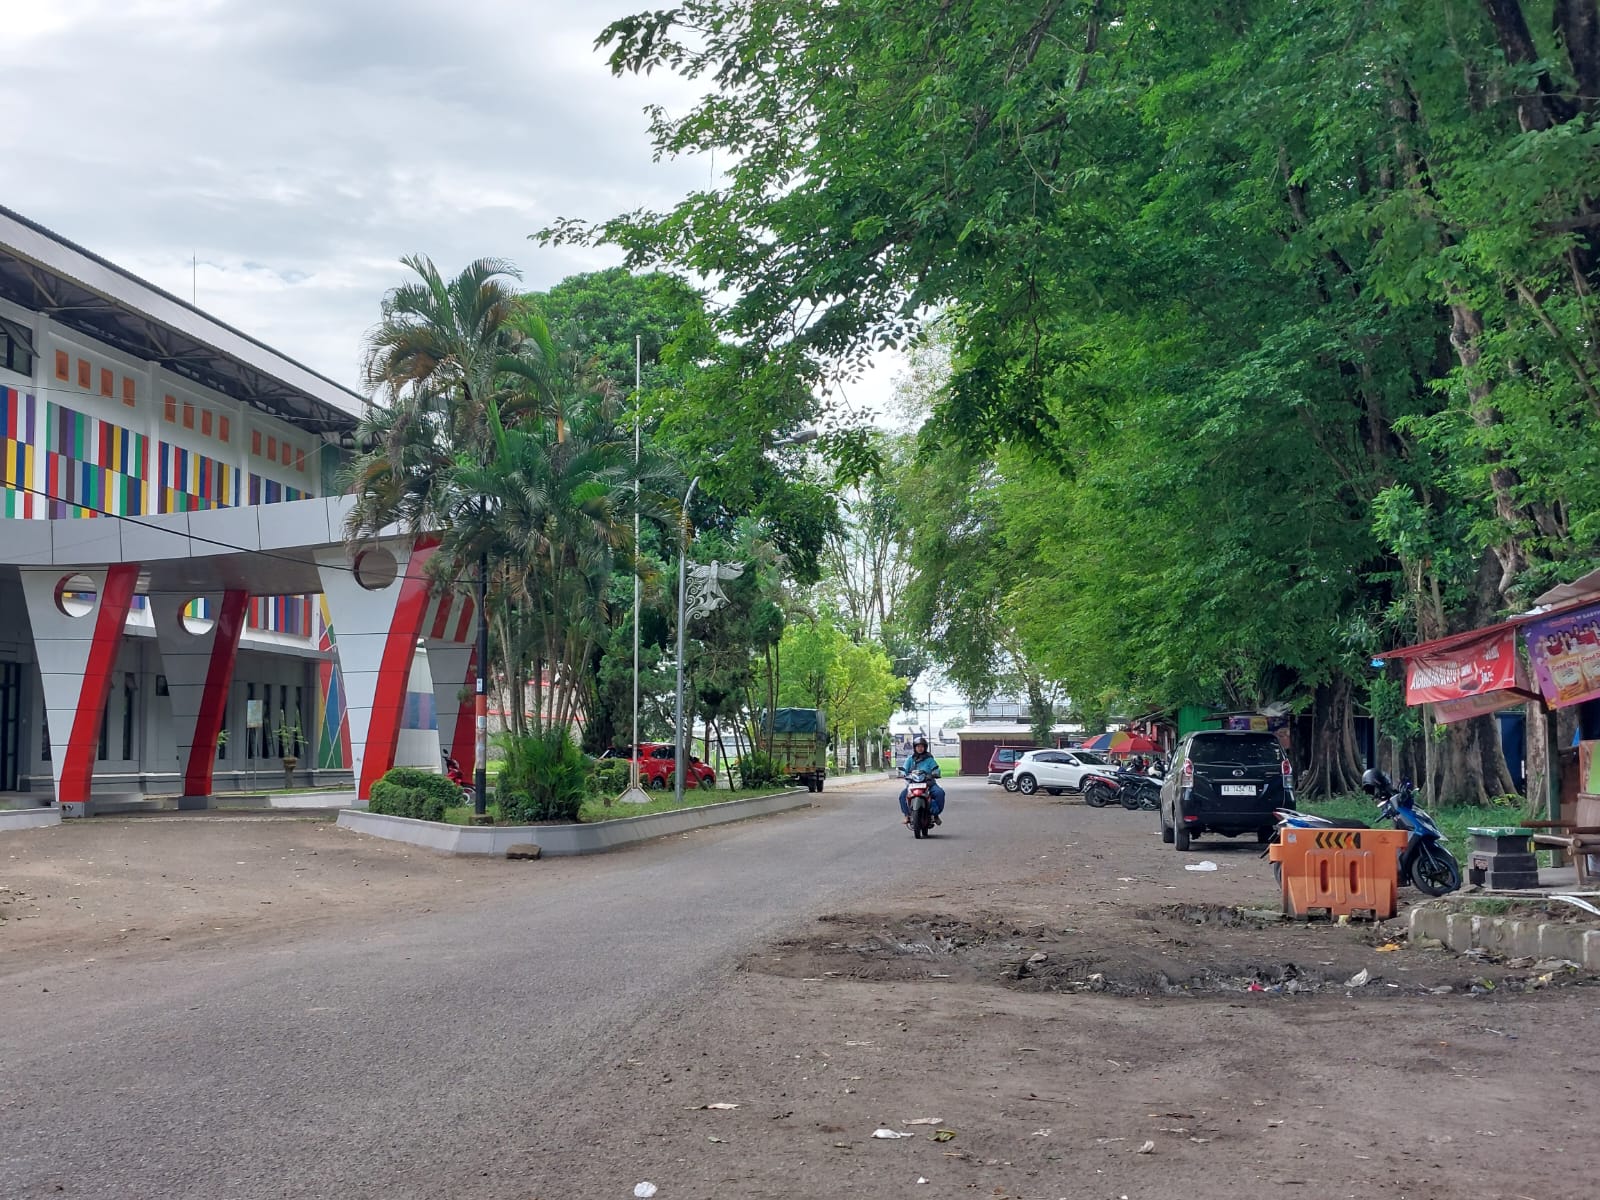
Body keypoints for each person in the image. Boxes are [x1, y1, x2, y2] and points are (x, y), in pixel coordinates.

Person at [898, 736, 945, 825]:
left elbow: (936, 769)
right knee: (902, 796)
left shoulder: (929, 759)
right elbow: (904, 769)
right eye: (918, 746)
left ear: (925, 747)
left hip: (928, 783)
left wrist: (935, 773)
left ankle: (936, 815)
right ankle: (907, 815)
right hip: (913, 783)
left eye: (922, 746)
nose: (920, 748)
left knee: (940, 793)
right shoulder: (910, 759)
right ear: (915, 748)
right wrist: (903, 773)